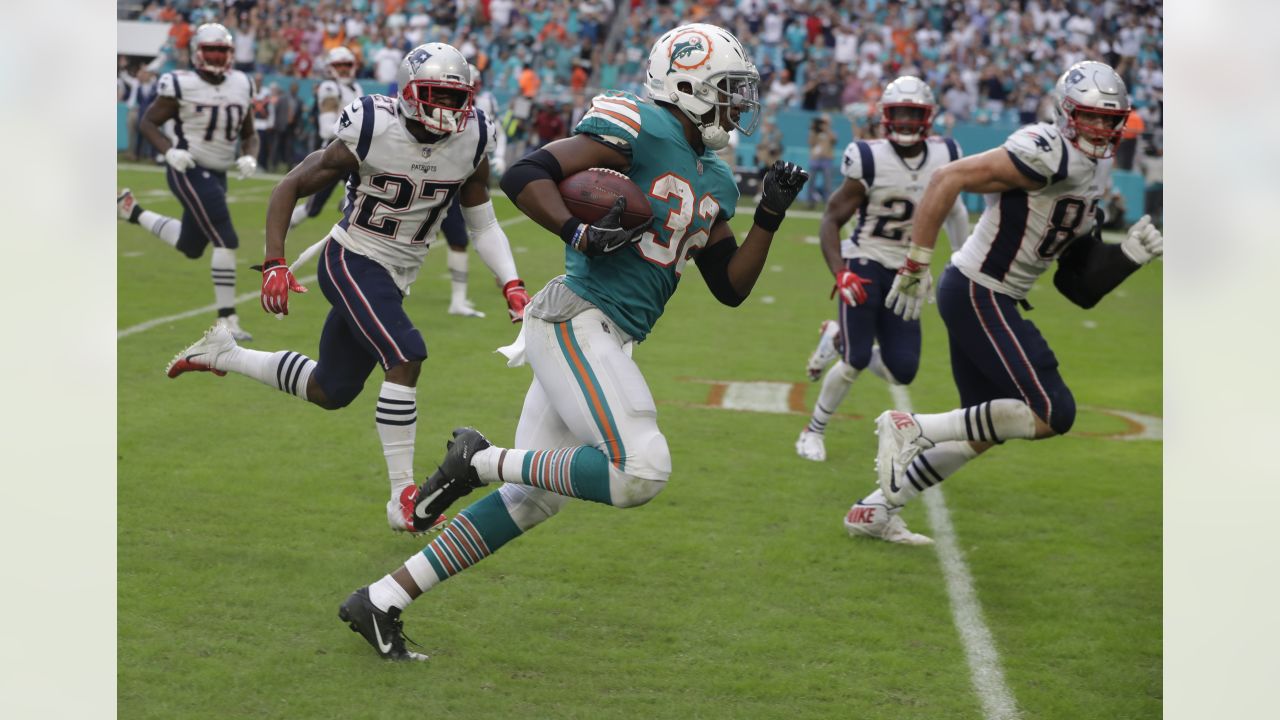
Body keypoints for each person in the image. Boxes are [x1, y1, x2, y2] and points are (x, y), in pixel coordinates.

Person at [336, 23, 808, 661]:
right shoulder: (635, 121)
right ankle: (476, 461)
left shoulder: (717, 179)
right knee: (642, 470)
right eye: (728, 91)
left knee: (534, 500)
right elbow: (528, 173)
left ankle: (381, 600)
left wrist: (770, 219)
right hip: (576, 317)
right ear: (689, 83)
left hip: (610, 334)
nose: (737, 107)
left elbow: (729, 286)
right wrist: (576, 232)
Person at [163, 43, 532, 535]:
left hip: (398, 273)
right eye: (435, 95)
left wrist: (511, 283)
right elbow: (288, 186)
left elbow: (482, 223)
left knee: (330, 389)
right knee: (406, 356)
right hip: (352, 255)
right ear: (407, 93)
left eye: (455, 97)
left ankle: (223, 353)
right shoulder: (372, 126)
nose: (446, 109)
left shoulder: (474, 137)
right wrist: (274, 261)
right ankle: (404, 499)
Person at [866, 61, 1163, 543]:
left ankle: (877, 508)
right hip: (981, 290)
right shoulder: (1047, 151)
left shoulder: (1090, 174)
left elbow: (1077, 288)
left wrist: (1127, 257)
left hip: (986, 294)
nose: (1102, 128)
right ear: (1066, 113)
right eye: (1091, 116)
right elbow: (946, 179)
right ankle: (909, 426)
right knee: (1053, 412)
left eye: (1111, 119)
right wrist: (916, 262)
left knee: (982, 431)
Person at [796, 77, 970, 489]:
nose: (907, 121)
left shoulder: (946, 154)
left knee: (902, 371)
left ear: (928, 118)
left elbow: (956, 212)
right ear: (886, 118)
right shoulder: (867, 158)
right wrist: (841, 272)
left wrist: (961, 264)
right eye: (900, 113)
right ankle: (813, 430)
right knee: (857, 360)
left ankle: (835, 338)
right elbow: (831, 220)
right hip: (865, 262)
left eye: (915, 113)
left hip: (909, 271)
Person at [116, 23, 259, 341]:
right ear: (198, 52)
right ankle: (228, 320)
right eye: (212, 50)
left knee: (192, 246)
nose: (218, 57)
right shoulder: (180, 83)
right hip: (188, 167)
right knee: (225, 237)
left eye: (222, 51)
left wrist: (249, 155)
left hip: (218, 172)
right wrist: (169, 152)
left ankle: (132, 211)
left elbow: (250, 133)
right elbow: (148, 121)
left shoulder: (241, 83)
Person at [435, 64, 510, 319]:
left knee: (479, 227)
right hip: (439, 174)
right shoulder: (438, 102)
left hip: (470, 171)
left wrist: (498, 155)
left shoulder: (484, 106)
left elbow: (497, 130)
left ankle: (502, 277)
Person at [288, 47, 365, 229]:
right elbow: (326, 130)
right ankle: (284, 223)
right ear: (330, 67)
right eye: (339, 65)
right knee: (313, 209)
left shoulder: (356, 87)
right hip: (335, 152)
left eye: (347, 64)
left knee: (368, 192)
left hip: (355, 152)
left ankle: (348, 199)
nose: (344, 69)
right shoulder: (330, 87)